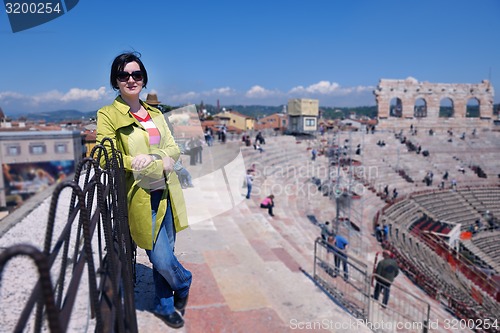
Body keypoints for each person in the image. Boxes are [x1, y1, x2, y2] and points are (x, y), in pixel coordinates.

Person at [96, 52, 192, 329]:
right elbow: (106, 156)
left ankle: (164, 306)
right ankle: (184, 282)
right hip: (139, 195)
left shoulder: (156, 114)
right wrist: (144, 163)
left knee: (167, 251)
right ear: (116, 81)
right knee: (160, 257)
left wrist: (159, 158)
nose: (131, 80)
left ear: (143, 79)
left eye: (136, 74)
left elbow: (174, 147)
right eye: (123, 75)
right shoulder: (108, 114)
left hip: (166, 190)